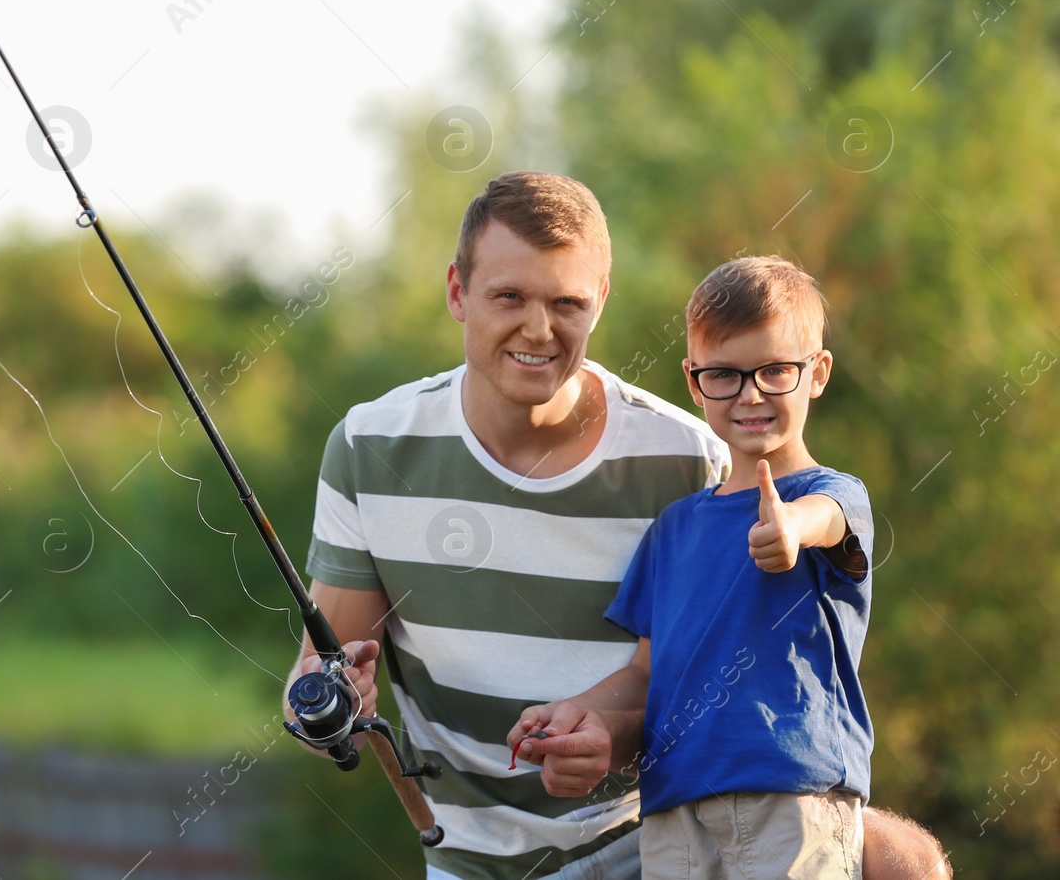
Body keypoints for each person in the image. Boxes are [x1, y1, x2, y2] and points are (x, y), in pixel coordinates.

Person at [284, 172, 950, 879]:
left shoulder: (692, 459)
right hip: (469, 858)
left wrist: (608, 737)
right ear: (457, 291)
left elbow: (687, 677)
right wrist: (331, 708)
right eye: (509, 296)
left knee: (903, 861)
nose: (538, 329)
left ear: (599, 301)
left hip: (647, 840)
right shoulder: (369, 447)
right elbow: (318, 688)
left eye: (566, 302)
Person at [513, 256, 869, 878]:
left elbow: (827, 519)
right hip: (672, 803)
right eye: (724, 376)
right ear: (693, 380)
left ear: (817, 374)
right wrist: (578, 710)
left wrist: (790, 528)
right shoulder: (673, 528)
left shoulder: (830, 495)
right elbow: (647, 671)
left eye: (776, 371)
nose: (751, 394)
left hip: (789, 792)